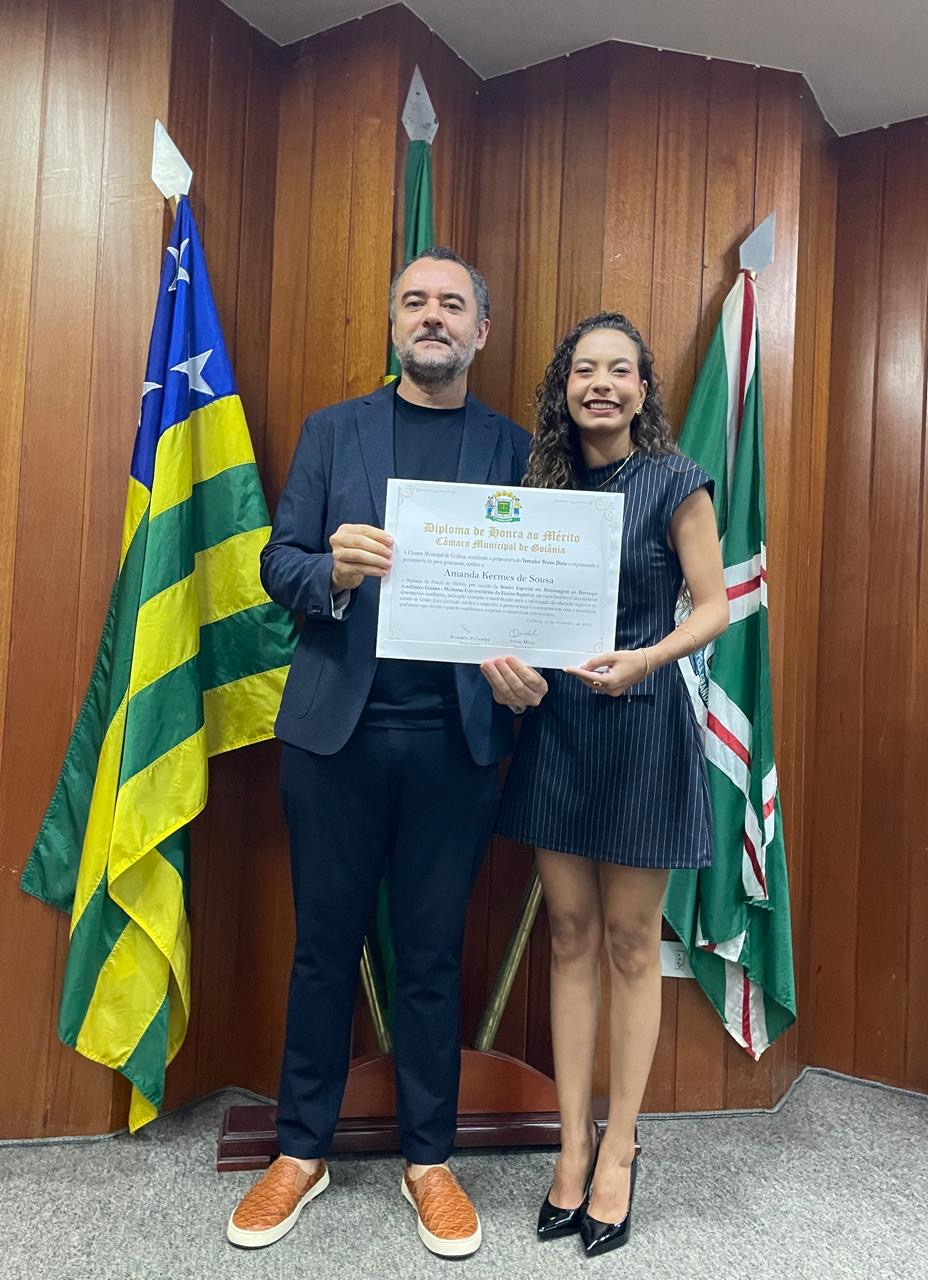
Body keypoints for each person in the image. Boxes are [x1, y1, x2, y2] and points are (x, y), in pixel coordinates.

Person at [227, 248, 530, 1257]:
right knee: (323, 947)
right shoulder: (332, 430)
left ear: (481, 330)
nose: (432, 317)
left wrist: (525, 666)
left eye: (451, 304)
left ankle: (429, 1159)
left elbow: (538, 591)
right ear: (394, 324)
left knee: (433, 956)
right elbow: (277, 563)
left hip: (457, 742)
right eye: (415, 302)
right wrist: (334, 572)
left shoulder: (516, 449)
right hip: (336, 737)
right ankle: (300, 1150)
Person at [480, 312, 728, 1258]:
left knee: (630, 942)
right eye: (585, 369)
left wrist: (647, 659)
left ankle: (620, 1148)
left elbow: (717, 607)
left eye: (620, 370)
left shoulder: (676, 478)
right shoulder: (539, 487)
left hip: (642, 725)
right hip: (558, 728)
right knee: (570, 933)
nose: (602, 384)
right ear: (564, 386)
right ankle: (572, 1144)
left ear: (642, 390)